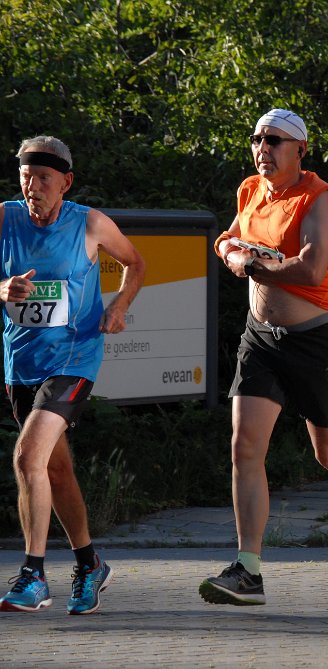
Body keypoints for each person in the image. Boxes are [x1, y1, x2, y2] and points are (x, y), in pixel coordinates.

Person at [201, 109, 328, 605]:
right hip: (261, 337)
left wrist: (253, 267)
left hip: (318, 339)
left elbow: (311, 270)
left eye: (274, 140)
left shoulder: (320, 200)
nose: (262, 148)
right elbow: (228, 239)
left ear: (300, 149)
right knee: (244, 446)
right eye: (256, 139)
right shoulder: (251, 190)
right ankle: (248, 569)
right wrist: (233, 254)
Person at [0, 136, 145, 614]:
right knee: (54, 469)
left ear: (66, 182)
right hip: (22, 364)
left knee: (27, 457)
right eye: (26, 176)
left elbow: (135, 263)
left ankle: (32, 576)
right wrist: (3, 288)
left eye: (43, 178)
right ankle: (89, 564)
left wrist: (119, 306)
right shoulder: (4, 218)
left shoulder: (90, 223)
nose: (33, 187)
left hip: (74, 359)